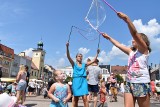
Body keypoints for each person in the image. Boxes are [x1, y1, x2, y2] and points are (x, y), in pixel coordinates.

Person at [102, 12, 151, 107]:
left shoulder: (144, 50)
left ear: (142, 41)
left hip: (141, 83)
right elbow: (118, 45)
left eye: (135, 39)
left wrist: (127, 19)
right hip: (129, 82)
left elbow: (134, 33)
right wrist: (109, 38)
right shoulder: (131, 52)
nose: (132, 39)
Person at [66, 42, 100, 107]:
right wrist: (67, 47)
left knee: (85, 98)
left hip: (83, 81)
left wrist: (97, 53)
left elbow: (93, 60)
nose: (80, 57)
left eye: (81, 56)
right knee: (76, 99)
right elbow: (68, 56)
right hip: (76, 81)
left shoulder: (84, 65)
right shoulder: (74, 64)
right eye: (79, 56)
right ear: (76, 58)